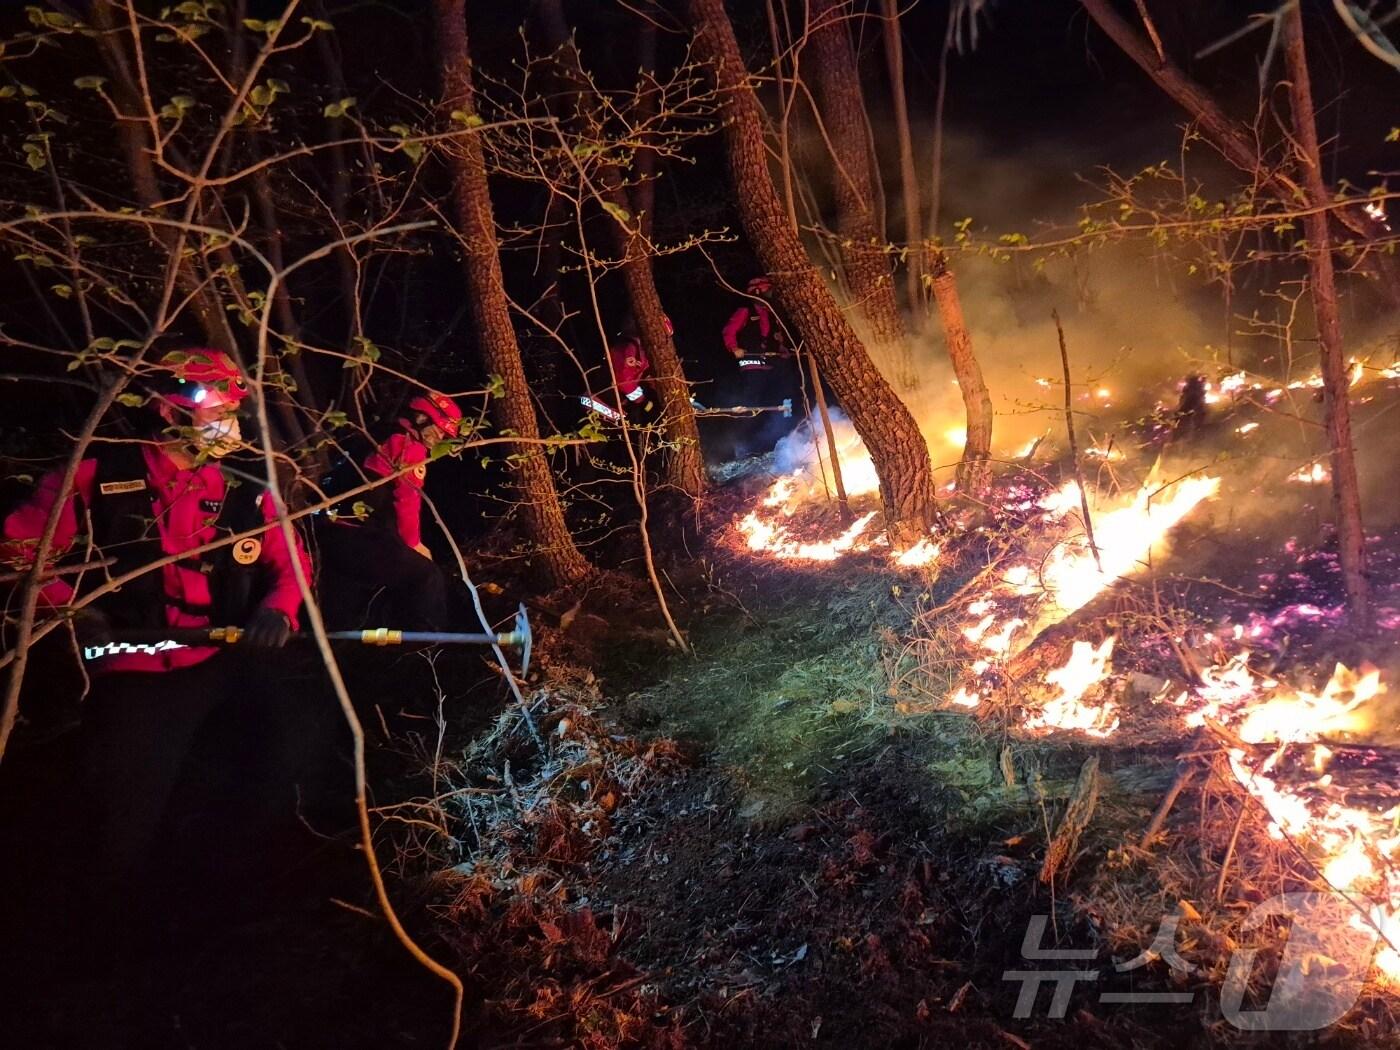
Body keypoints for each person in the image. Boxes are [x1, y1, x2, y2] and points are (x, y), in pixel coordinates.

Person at [0, 348, 314, 907]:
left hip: (223, 654)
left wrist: (279, 610)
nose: (227, 423)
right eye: (214, 406)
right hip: (135, 666)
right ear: (169, 411)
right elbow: (20, 550)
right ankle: (113, 925)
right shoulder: (96, 475)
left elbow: (290, 563)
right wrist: (73, 612)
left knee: (286, 755)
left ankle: (246, 890)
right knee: (124, 814)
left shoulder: (245, 487)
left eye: (233, 408)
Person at [316, 389, 464, 630]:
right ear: (421, 418)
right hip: (356, 535)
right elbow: (407, 501)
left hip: (332, 529)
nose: (439, 438)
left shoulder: (381, 432)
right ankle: (429, 649)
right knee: (426, 576)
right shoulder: (408, 447)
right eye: (438, 430)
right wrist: (414, 544)